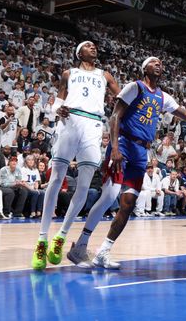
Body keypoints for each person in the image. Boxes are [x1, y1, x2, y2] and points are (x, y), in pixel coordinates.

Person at [66, 56, 186, 270]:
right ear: (144, 68)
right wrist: (115, 148)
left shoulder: (163, 97)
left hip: (141, 152)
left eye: (161, 62)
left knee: (128, 205)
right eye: (155, 62)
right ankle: (79, 247)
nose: (160, 64)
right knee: (109, 195)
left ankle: (103, 252)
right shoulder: (135, 87)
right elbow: (115, 117)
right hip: (123, 144)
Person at [31, 41, 120, 270]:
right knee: (55, 179)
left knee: (83, 187)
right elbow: (59, 100)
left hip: (93, 125)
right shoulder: (68, 73)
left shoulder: (105, 75)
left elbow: (122, 98)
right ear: (79, 52)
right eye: (88, 46)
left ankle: (60, 237)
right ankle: (42, 239)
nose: (93, 48)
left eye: (94, 46)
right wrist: (55, 110)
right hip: (69, 121)